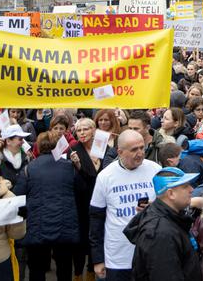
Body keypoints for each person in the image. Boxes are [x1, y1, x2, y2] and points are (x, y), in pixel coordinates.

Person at [89, 130, 162, 281]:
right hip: (118, 257)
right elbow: (96, 219)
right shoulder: (105, 176)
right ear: (120, 152)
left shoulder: (155, 170)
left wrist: (154, 207)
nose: (140, 153)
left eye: (142, 148)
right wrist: (97, 259)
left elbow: (169, 206)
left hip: (150, 253)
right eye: (134, 149)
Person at [13, 130, 82, 281]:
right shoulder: (69, 167)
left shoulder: (29, 168)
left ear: (38, 146)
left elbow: (18, 195)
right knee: (64, 267)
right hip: (65, 225)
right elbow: (79, 190)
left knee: (36, 268)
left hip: (37, 226)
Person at [124, 167, 202, 281]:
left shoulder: (172, 219)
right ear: (171, 194)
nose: (192, 189)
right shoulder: (160, 233)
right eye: (185, 186)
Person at [68, 117, 112, 281]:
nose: (82, 133)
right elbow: (75, 178)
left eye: (85, 129)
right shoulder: (73, 149)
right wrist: (78, 166)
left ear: (94, 130)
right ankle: (78, 273)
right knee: (81, 239)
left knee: (97, 235)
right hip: (81, 201)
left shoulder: (102, 146)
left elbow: (105, 172)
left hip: (101, 199)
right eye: (79, 130)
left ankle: (92, 271)